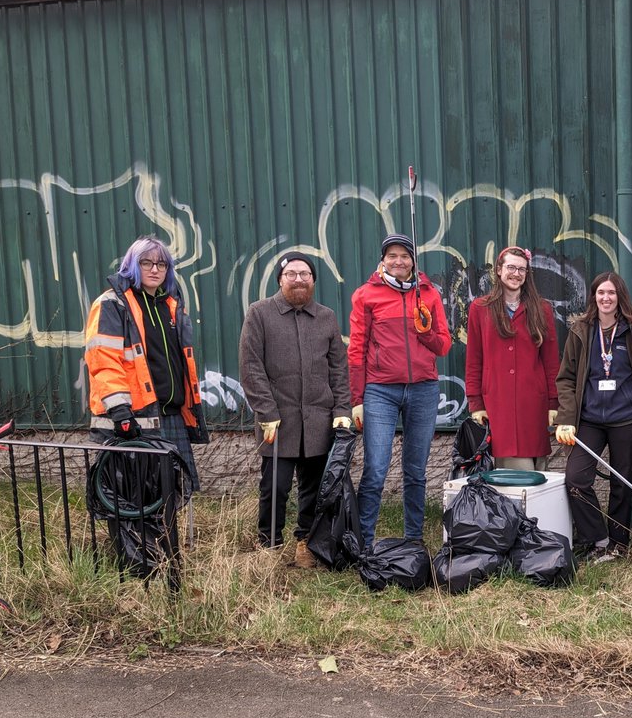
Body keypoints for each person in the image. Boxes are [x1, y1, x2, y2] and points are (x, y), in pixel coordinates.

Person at [239, 250, 352, 564]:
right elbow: (250, 367)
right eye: (292, 274)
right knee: (274, 487)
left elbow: (338, 370)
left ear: (313, 280)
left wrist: (342, 410)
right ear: (280, 279)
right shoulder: (260, 313)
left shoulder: (326, 317)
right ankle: (270, 547)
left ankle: (305, 541)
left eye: (305, 274)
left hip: (319, 419)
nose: (299, 279)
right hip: (277, 421)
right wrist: (267, 413)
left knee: (314, 489)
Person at [348, 233, 451, 547]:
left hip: (423, 389)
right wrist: (357, 399)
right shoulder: (366, 295)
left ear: (413, 261)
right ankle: (364, 542)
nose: (398, 261)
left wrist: (426, 330)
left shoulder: (428, 294)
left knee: (415, 471)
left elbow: (443, 346)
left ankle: (413, 542)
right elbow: (356, 350)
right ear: (383, 260)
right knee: (376, 469)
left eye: (404, 256)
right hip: (380, 391)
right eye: (392, 255)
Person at [84, 235, 208, 489]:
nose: (155, 269)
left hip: (172, 416)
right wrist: (120, 410)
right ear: (131, 265)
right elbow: (104, 360)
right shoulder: (112, 304)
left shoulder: (172, 306)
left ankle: (167, 532)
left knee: (173, 493)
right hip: (134, 419)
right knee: (133, 499)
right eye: (146, 262)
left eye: (161, 264)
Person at [556, 272, 632, 561]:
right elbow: (565, 378)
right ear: (594, 297)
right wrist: (567, 417)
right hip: (589, 420)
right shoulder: (580, 331)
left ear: (620, 297)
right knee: (576, 478)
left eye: (611, 293)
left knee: (622, 483)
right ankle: (597, 539)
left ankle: (619, 545)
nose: (606, 298)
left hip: (626, 420)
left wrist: (630, 397)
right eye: (600, 292)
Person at [465, 246, 560, 470]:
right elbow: (474, 360)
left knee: (538, 471)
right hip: (497, 404)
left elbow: (551, 361)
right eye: (511, 268)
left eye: (522, 270)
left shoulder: (542, 309)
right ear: (499, 270)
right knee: (513, 472)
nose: (516, 274)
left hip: (533, 404)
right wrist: (476, 403)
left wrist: (553, 403)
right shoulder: (480, 309)